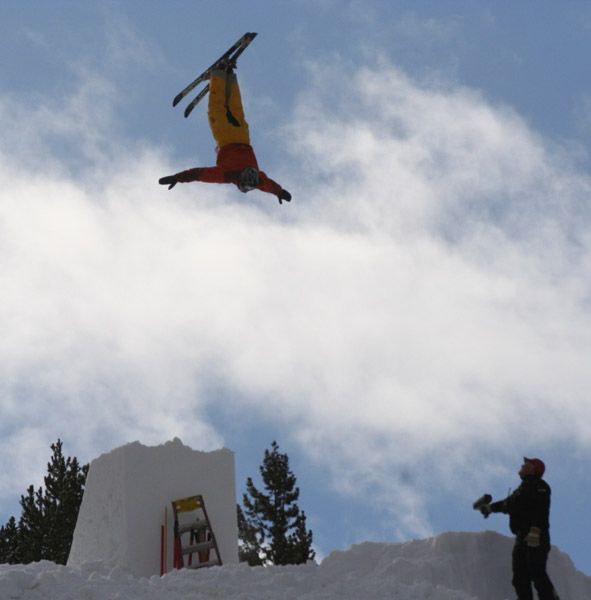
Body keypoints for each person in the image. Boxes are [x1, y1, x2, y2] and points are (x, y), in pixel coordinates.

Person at [159, 62, 291, 205]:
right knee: (217, 109)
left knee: (234, 108)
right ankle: (218, 74)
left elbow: (268, 186)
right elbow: (199, 174)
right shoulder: (228, 175)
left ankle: (229, 75)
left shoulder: (258, 178)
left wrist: (280, 192)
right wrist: (177, 178)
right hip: (226, 138)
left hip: (244, 136)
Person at [478, 457, 560, 600]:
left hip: (535, 536)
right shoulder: (521, 489)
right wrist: (490, 508)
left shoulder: (540, 486)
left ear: (533, 469)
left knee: (537, 572)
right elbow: (508, 504)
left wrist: (535, 530)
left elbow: (539, 509)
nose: (522, 465)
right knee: (519, 578)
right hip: (522, 537)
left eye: (526, 464)